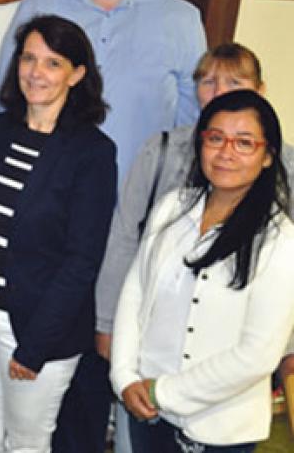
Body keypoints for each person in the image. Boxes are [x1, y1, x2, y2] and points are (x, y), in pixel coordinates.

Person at [0, 0, 207, 449]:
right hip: (49, 221)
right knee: (49, 360)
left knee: (107, 359)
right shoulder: (42, 4)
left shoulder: (181, 19)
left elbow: (193, 125)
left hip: (135, 226)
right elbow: (3, 100)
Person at [0, 15, 116, 452]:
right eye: (29, 58)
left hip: (37, 327)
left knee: (27, 444)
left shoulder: (93, 153)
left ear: (77, 74)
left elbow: (81, 262)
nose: (36, 72)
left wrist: (36, 346)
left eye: (53, 63)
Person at [96, 43, 294, 381]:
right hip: (155, 323)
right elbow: (125, 237)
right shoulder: (162, 150)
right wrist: (107, 322)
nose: (219, 93)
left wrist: (287, 347)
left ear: (260, 90)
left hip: (235, 339)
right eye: (208, 82)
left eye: (235, 83)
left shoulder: (284, 165)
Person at [110, 89, 294, 452]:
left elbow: (258, 354)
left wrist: (162, 392)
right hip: (147, 410)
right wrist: (125, 377)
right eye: (215, 138)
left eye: (244, 143)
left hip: (221, 428)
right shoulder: (172, 208)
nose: (226, 153)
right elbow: (135, 293)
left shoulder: (281, 240)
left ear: (268, 156)